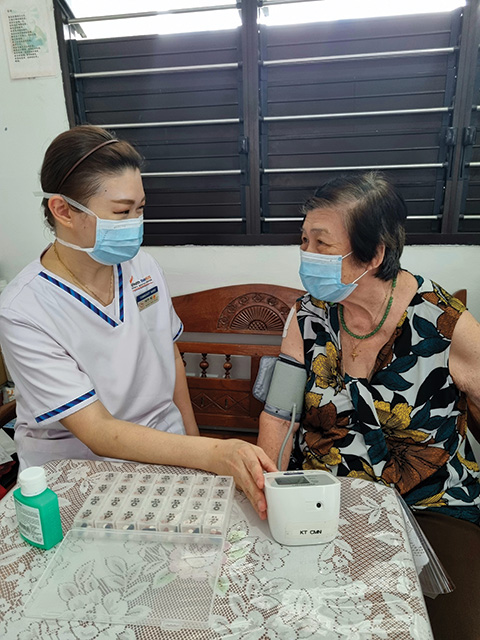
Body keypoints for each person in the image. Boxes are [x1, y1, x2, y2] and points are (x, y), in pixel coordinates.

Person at [0, 125, 276, 519]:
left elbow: (170, 356)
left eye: (140, 209)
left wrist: (195, 449)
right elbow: (96, 431)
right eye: (121, 212)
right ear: (62, 210)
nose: (134, 223)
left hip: (167, 452)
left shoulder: (140, 267)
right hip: (77, 472)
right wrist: (213, 452)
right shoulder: (24, 309)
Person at [257, 172, 480, 640]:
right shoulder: (308, 315)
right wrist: (272, 495)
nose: (306, 256)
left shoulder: (443, 321)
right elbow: (279, 414)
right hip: (323, 498)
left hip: (430, 505)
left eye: (322, 243)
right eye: (303, 240)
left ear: (375, 254)